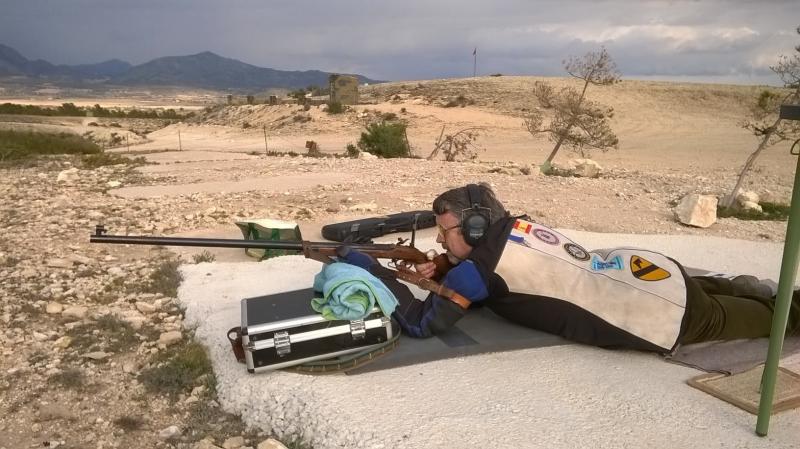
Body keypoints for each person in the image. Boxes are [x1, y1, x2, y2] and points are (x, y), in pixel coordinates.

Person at [338, 183, 800, 353]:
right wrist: (442, 268)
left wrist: (369, 270)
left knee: (780, 320)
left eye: (445, 232)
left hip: (659, 312)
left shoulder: (475, 272)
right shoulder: (516, 227)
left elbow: (422, 324)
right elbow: (485, 277)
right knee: (745, 299)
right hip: (651, 270)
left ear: (476, 228)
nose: (440, 241)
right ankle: (739, 288)